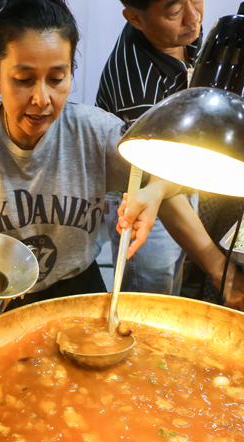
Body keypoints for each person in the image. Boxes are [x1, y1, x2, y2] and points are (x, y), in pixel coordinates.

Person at [0, 0, 244, 317]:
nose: (42, 99)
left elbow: (165, 176)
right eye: (23, 80)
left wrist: (155, 193)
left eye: (57, 79)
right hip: (1, 293)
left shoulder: (96, 133)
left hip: (78, 290)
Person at [96, 0, 204, 297]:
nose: (193, 17)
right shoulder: (137, 87)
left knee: (171, 278)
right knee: (150, 294)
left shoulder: (181, 33)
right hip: (140, 192)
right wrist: (221, 270)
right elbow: (158, 187)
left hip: (176, 176)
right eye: (174, 12)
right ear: (135, 18)